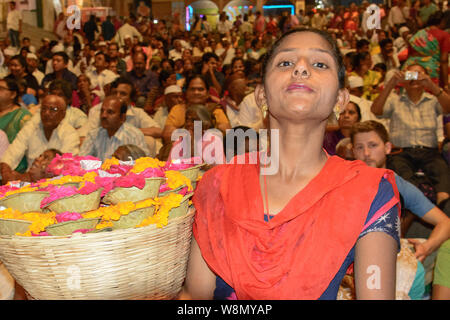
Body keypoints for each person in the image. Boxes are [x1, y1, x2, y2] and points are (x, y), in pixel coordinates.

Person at [181, 28, 400, 300]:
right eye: (285, 63)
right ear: (261, 95)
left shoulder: (366, 191)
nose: (300, 69)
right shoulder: (219, 183)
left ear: (340, 100)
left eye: (319, 64)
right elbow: (195, 296)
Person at [351, 120, 450, 263]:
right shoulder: (343, 181)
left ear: (387, 147)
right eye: (360, 147)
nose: (366, 153)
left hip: (383, 257)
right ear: (353, 151)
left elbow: (445, 223)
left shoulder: (399, 185)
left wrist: (426, 247)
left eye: (373, 145)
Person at [371, 64, 450, 207]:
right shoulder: (395, 100)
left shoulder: (433, 100)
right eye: (410, 75)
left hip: (429, 152)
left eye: (419, 74)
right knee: (402, 177)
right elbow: (376, 110)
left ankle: (443, 207)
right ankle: (420, 205)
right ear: (403, 78)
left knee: (442, 173)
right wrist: (390, 85)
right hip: (401, 152)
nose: (414, 78)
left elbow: (449, 108)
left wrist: (431, 85)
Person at [0, 94, 80, 184]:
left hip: (56, 186)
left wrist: (25, 178)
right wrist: (6, 173)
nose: (46, 113)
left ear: (63, 114)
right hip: (27, 184)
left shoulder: (70, 134)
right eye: (43, 109)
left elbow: (64, 168)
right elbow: (12, 153)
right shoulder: (31, 127)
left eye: (53, 109)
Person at [162, 74, 230, 144]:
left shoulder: (215, 111)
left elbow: (227, 134)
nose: (196, 92)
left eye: (200, 89)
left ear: (207, 93)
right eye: (192, 89)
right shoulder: (178, 109)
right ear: (186, 93)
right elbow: (167, 135)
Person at [79, 95, 149, 161]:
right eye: (102, 111)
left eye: (110, 112)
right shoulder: (93, 135)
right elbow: (81, 161)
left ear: (122, 117)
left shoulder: (134, 135)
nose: (104, 115)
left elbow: (143, 165)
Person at [403, 11, 450, 89]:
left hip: (410, 70)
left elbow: (409, 56)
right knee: (431, 98)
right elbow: (444, 61)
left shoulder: (418, 34)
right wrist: (446, 85)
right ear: (442, 22)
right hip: (430, 72)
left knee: (409, 94)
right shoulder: (444, 35)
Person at [0, 78, 31, 173]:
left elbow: (29, 145)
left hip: (15, 168)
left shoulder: (23, 116)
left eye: (1, 88)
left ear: (13, 94)